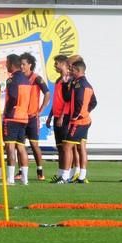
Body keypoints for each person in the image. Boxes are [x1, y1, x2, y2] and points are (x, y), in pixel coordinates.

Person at [59, 59, 97, 184]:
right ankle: (81, 177)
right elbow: (68, 98)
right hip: (83, 120)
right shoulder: (79, 83)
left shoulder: (81, 84)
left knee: (67, 147)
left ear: (78, 70)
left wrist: (76, 116)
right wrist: (65, 84)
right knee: (81, 148)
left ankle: (64, 177)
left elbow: (80, 103)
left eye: (72, 69)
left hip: (79, 122)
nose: (70, 71)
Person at [20, 52, 50, 181]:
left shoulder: (36, 78)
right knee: (19, 145)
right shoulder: (19, 78)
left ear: (30, 65)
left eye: (23, 64)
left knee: (34, 145)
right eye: (20, 64)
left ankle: (40, 170)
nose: (21, 66)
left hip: (32, 116)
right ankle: (20, 171)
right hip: (20, 117)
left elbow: (47, 93)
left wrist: (41, 109)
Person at [2, 54, 31, 185]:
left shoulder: (12, 79)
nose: (6, 66)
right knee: (21, 147)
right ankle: (25, 179)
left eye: (7, 63)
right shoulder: (26, 79)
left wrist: (6, 112)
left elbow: (13, 97)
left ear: (12, 64)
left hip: (12, 117)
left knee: (10, 147)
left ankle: (10, 179)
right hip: (23, 117)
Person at [46, 55, 73, 183]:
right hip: (56, 117)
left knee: (66, 147)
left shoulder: (68, 79)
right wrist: (50, 116)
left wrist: (62, 116)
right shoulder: (58, 80)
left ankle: (67, 175)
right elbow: (56, 101)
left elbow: (68, 101)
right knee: (60, 148)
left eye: (56, 63)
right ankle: (60, 173)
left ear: (63, 64)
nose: (55, 66)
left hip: (65, 118)